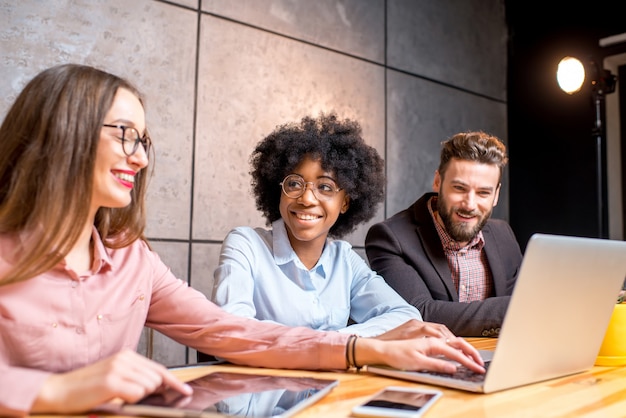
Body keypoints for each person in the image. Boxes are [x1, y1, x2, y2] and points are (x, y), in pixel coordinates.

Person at [0, 64, 484, 416]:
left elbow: (233, 333)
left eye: (142, 141)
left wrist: (365, 350)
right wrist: (52, 393)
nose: (141, 159)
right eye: (125, 135)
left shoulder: (133, 260)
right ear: (63, 132)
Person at [212, 112, 445, 338]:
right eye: (294, 183)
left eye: (325, 187)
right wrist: (339, 345)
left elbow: (405, 316)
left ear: (345, 202)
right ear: (278, 189)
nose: (306, 199)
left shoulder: (344, 260)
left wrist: (338, 341)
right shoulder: (246, 245)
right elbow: (232, 329)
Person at [365, 131, 523, 337]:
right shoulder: (390, 238)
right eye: (459, 188)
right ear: (438, 182)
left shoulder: (503, 234)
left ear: (496, 195)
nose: (469, 204)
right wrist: (522, 306)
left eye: (483, 192)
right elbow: (419, 313)